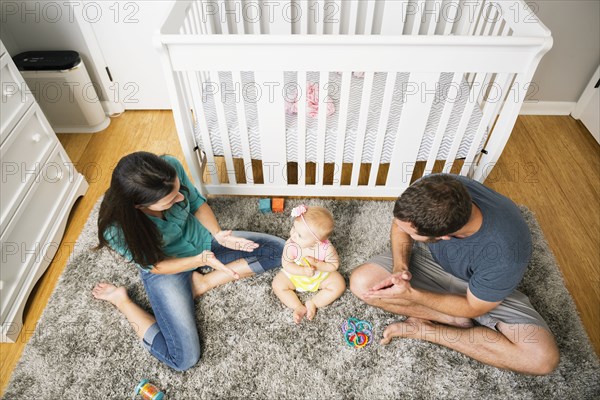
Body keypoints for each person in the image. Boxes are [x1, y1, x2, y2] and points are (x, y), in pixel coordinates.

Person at [349, 174, 560, 375]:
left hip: (479, 289)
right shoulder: (433, 187)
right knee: (362, 283)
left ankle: (425, 329)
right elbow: (400, 224)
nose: (402, 230)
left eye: (413, 233)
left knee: (541, 359)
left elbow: (474, 306)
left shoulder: (505, 254)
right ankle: (449, 316)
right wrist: (400, 267)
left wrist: (413, 296)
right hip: (430, 261)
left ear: (444, 236)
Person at [92, 152, 285, 371]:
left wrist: (219, 233)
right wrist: (200, 260)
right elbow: (156, 266)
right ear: (139, 206)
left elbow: (195, 203)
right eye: (170, 200)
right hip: (167, 269)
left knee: (280, 251)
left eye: (177, 191)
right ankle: (121, 301)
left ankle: (203, 283)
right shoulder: (116, 230)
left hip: (201, 239)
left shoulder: (170, 166)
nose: (180, 198)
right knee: (183, 358)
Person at [272, 205, 345, 324]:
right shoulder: (291, 244)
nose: (293, 234)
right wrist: (302, 271)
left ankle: (314, 303)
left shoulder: (326, 249)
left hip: (319, 276)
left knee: (339, 284)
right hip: (295, 275)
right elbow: (286, 264)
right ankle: (297, 306)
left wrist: (318, 265)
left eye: (299, 235)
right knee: (277, 284)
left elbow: (334, 265)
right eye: (294, 228)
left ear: (317, 242)